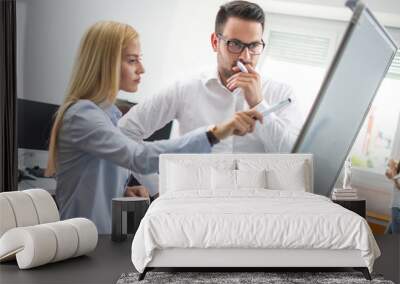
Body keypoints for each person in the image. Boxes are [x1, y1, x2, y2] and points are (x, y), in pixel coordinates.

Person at [46, 21, 262, 234]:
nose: (142, 69)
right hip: (80, 241)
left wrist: (121, 191)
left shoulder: (107, 115)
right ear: (106, 64)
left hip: (99, 239)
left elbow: (94, 176)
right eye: (132, 61)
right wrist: (215, 133)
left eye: (139, 59)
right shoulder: (83, 116)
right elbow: (139, 156)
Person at [118, 0, 304, 196]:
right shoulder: (186, 89)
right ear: (216, 42)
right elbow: (124, 133)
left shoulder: (282, 93)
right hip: (190, 209)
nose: (246, 56)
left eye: (254, 45)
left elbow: (295, 162)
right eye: (235, 44)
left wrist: (259, 102)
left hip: (255, 212)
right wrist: (159, 187)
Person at [385, 159, 400, 234]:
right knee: (389, 232)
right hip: (395, 207)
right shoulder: (397, 173)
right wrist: (392, 168)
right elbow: (387, 174)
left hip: (397, 209)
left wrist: (393, 170)